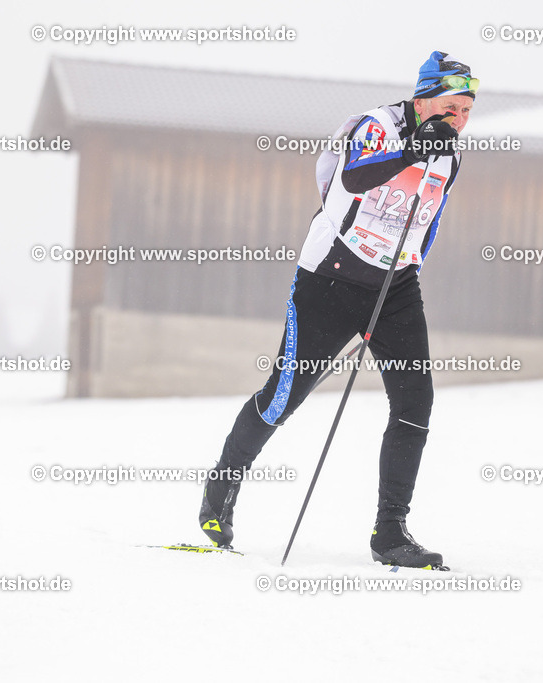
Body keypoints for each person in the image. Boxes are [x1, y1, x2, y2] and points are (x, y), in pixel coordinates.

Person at [199, 51, 477, 568]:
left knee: (416, 401)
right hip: (329, 279)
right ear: (423, 99)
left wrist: (410, 266)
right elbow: (355, 179)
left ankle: (390, 531)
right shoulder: (378, 126)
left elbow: (428, 219)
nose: (458, 120)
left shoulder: (450, 153)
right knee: (284, 397)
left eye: (466, 111)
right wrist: (415, 148)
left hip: (394, 286)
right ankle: (222, 485)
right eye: (451, 106)